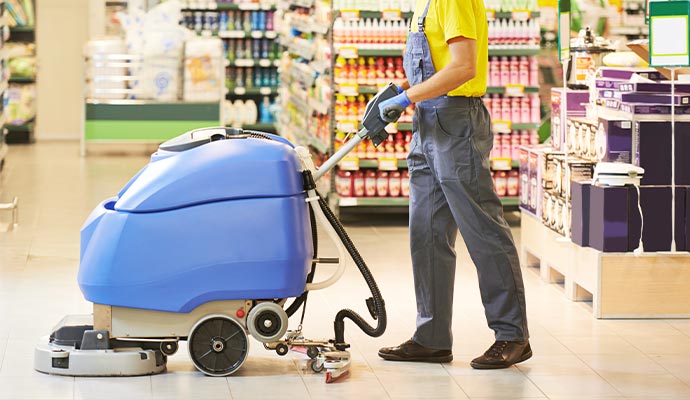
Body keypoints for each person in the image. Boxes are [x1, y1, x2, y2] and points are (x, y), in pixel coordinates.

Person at [376, 0, 531, 369]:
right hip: (426, 123)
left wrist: (407, 96)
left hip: (457, 122)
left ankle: (512, 334)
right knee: (426, 234)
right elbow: (428, 65)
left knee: (483, 232)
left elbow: (463, 66)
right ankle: (431, 338)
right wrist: (397, 94)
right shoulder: (422, 5)